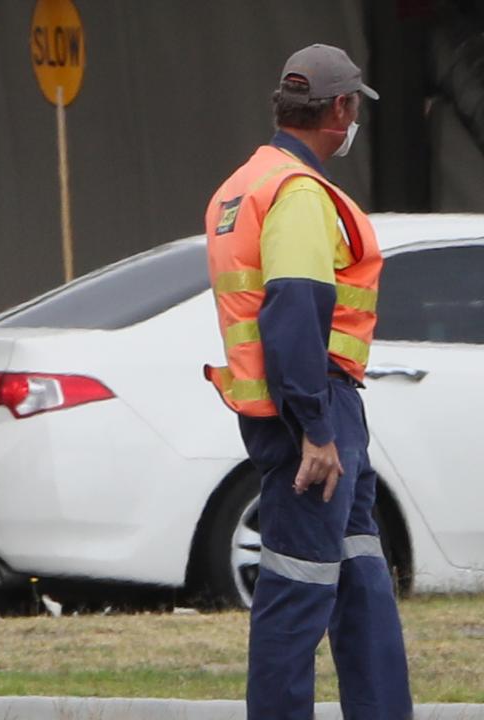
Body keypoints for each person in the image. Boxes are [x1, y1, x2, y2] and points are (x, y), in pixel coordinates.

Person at [202, 45, 412, 718]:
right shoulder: (295, 192)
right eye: (354, 110)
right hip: (310, 415)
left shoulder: (246, 183)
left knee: (361, 584)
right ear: (341, 109)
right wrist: (316, 430)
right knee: (298, 593)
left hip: (314, 410)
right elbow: (295, 311)